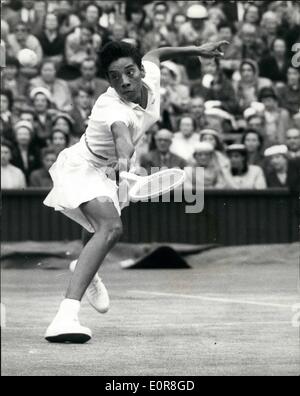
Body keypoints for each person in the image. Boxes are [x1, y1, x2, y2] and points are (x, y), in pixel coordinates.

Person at [43, 39, 229, 343]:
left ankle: (83, 267)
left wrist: (198, 50)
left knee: (98, 227)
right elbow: (122, 137)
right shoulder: (110, 105)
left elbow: (157, 53)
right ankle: (65, 317)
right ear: (108, 81)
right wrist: (125, 158)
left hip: (108, 171)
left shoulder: (150, 75)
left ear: (141, 70)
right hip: (83, 166)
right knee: (110, 227)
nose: (125, 82)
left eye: (130, 72)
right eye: (115, 77)